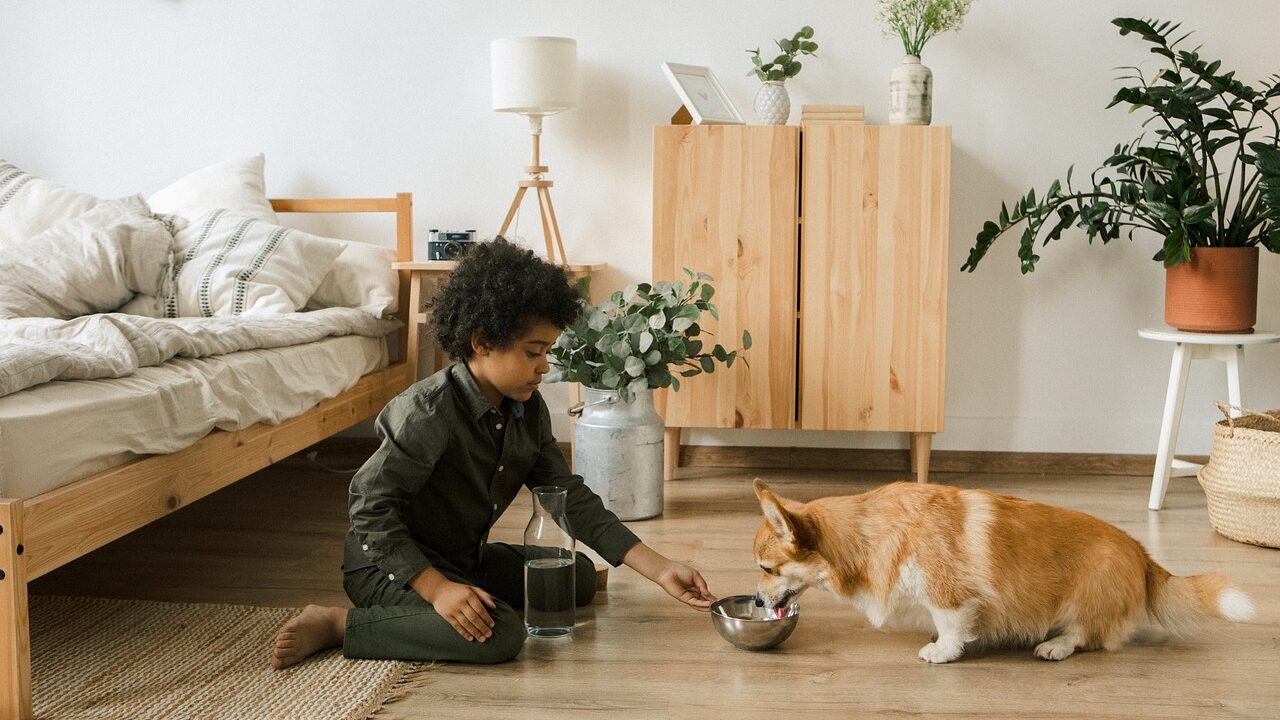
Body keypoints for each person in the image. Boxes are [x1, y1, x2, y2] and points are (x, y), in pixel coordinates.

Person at [271, 238, 715, 669]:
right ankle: (340, 624)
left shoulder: (527, 408)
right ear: (482, 342)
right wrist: (438, 589)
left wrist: (659, 568)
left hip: (465, 559)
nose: (544, 366)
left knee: (576, 575)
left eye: (548, 352)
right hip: (389, 567)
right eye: (534, 352)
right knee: (501, 635)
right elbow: (369, 509)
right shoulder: (427, 411)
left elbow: (567, 496)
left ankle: (458, 596)